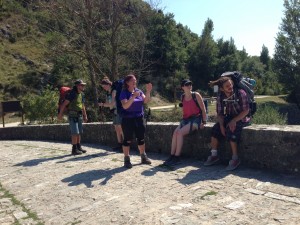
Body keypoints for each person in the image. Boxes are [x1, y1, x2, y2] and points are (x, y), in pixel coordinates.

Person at [204, 76, 250, 170]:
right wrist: (221, 125)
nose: (230, 87)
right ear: (221, 88)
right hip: (229, 117)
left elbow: (246, 111)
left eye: (230, 84)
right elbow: (220, 113)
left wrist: (234, 121)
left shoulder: (240, 93)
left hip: (242, 117)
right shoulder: (220, 96)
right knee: (215, 130)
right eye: (227, 86)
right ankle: (214, 155)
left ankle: (235, 159)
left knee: (232, 131)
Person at [163, 79, 207, 166]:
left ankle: (177, 157)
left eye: (190, 84)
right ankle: (172, 156)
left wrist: (204, 121)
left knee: (179, 133)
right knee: (175, 133)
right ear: (182, 87)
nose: (189, 86)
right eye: (187, 85)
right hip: (186, 120)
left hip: (196, 119)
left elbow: (203, 109)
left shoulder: (196, 95)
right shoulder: (182, 97)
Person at [119, 74, 152, 168]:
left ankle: (143, 156)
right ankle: (126, 159)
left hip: (139, 118)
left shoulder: (139, 91)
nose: (135, 82)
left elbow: (146, 101)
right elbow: (125, 106)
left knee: (141, 138)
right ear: (127, 82)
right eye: (133, 80)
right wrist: (133, 97)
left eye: (135, 80)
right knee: (127, 139)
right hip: (128, 119)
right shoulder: (124, 93)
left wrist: (148, 91)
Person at [58, 79, 88, 155]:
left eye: (83, 85)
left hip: (79, 115)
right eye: (82, 85)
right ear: (77, 86)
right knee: (75, 133)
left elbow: (83, 106)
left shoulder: (81, 94)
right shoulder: (72, 94)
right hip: (72, 115)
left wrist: (85, 115)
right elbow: (64, 104)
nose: (83, 86)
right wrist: (60, 114)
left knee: (79, 132)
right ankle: (74, 149)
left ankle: (79, 147)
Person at [99, 76, 123, 151]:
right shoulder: (108, 93)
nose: (104, 88)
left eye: (104, 86)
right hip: (114, 112)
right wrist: (103, 104)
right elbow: (108, 103)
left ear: (109, 84)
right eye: (103, 87)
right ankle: (120, 144)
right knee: (117, 128)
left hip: (118, 111)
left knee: (120, 128)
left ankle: (125, 145)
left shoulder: (114, 91)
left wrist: (103, 104)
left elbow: (112, 104)